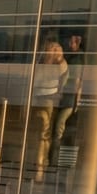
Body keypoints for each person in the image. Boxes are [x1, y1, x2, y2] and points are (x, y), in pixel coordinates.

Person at [32, 40, 68, 179]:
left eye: (57, 49)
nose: (55, 51)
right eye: (52, 49)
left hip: (48, 99)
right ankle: (42, 163)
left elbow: (61, 72)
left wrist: (58, 58)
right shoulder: (41, 64)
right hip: (38, 98)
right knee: (44, 132)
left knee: (45, 132)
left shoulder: (59, 65)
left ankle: (42, 164)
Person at [51, 33, 84, 165]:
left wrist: (76, 99)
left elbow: (75, 81)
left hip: (69, 98)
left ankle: (56, 158)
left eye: (72, 42)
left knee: (59, 126)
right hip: (65, 97)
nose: (69, 44)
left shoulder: (76, 60)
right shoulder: (71, 58)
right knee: (59, 126)